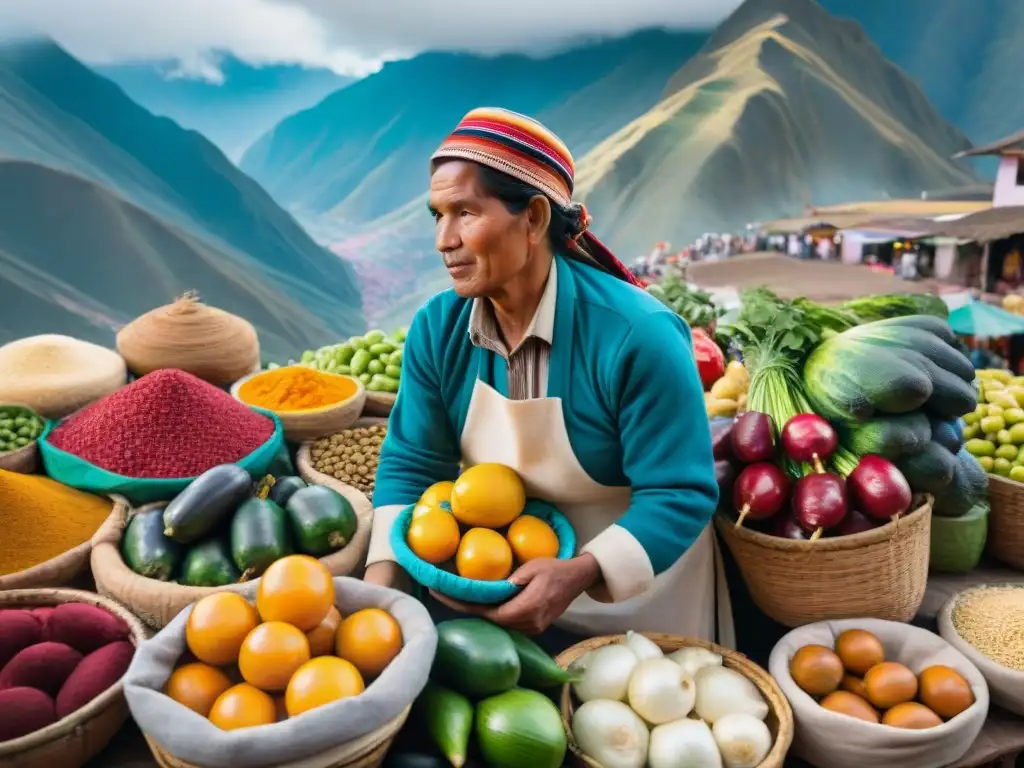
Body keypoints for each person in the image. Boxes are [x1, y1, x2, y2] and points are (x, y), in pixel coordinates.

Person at [363, 107, 732, 651]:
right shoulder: (438, 329)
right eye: (436, 215)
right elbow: (412, 462)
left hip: (639, 603)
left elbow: (679, 491)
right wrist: (378, 602)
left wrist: (581, 571)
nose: (444, 239)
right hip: (498, 587)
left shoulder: (638, 336)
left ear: (533, 218)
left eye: (465, 212)